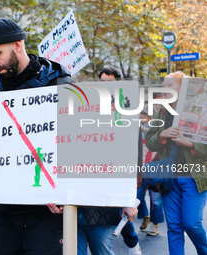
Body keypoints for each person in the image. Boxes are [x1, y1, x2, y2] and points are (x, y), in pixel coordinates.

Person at [0, 18, 72, 255]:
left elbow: (75, 148)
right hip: (5, 211)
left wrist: (65, 192)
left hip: (46, 213)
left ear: (18, 44)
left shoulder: (59, 83)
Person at [76, 67, 141, 255]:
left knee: (102, 249)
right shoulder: (85, 107)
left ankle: (133, 242)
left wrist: (128, 198)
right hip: (77, 197)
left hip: (103, 202)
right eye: (102, 82)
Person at [146, 71, 207, 255]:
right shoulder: (162, 111)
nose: (165, 89)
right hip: (168, 178)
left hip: (194, 177)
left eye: (170, 85)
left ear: (183, 88)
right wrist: (162, 135)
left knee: (191, 223)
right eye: (164, 85)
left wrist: (188, 144)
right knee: (173, 226)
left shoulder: (200, 110)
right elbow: (149, 141)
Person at [138, 106, 164, 236]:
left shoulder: (156, 127)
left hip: (154, 169)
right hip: (139, 168)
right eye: (141, 114)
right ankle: (145, 215)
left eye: (144, 114)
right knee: (137, 196)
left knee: (156, 201)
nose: (142, 116)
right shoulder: (137, 126)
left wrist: (142, 128)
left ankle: (155, 225)